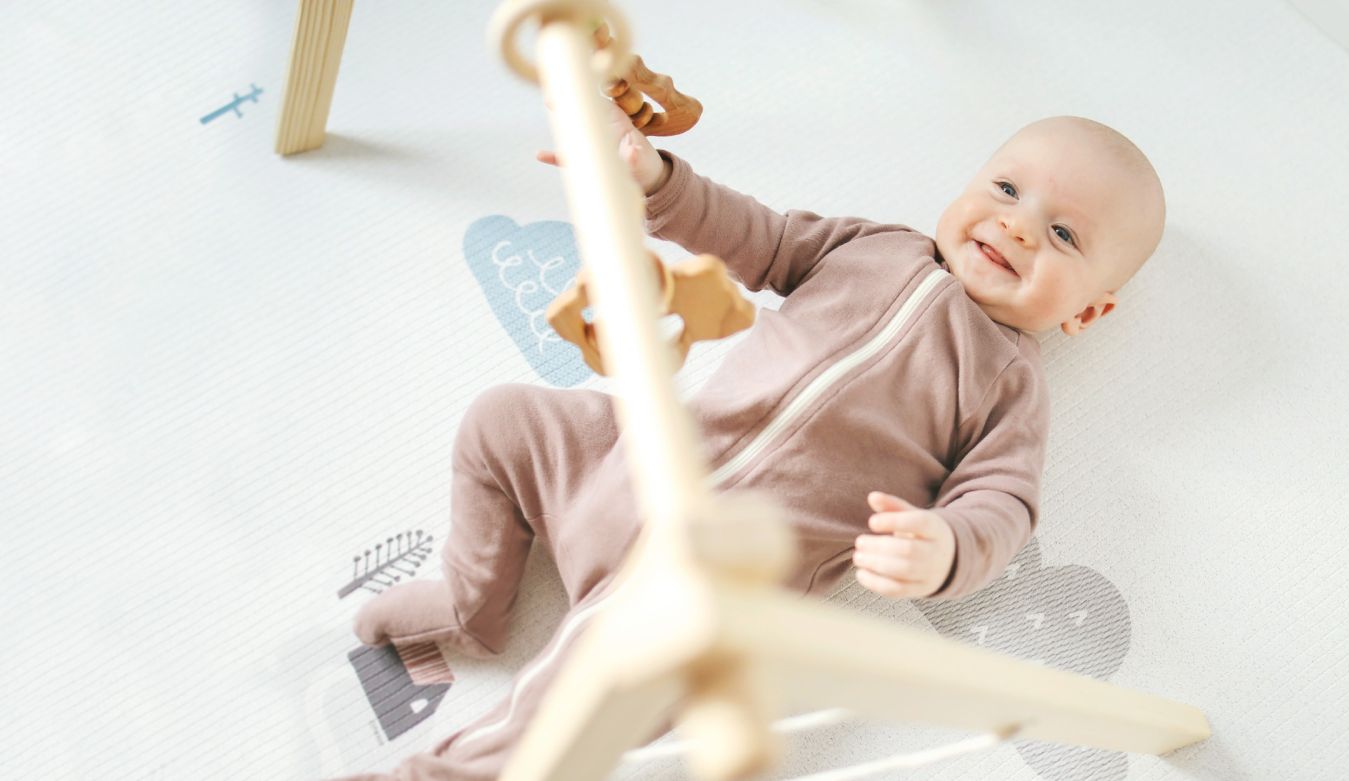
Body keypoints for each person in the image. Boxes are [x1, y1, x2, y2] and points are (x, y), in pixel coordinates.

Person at [338, 103, 1165, 780]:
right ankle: (473, 599)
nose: (1017, 226)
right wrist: (656, 181)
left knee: (581, 689)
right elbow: (758, 238)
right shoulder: (874, 246)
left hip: (717, 577)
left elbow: (1003, 501)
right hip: (629, 464)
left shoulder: (1006, 382)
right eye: (1007, 188)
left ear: (1088, 310)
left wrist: (946, 547)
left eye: (1064, 235)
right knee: (504, 420)